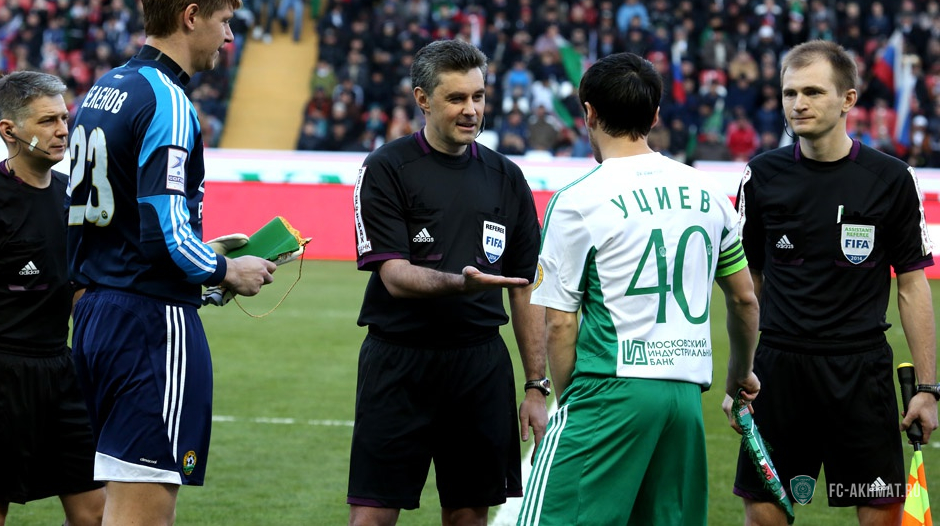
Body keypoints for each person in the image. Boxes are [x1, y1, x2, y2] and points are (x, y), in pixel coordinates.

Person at [66, 0, 277, 526]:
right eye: (224, 21)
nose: (229, 37)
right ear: (190, 16)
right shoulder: (168, 100)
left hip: (95, 315)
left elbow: (100, 221)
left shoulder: (104, 89)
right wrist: (226, 270)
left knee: (112, 503)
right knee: (144, 511)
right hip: (149, 324)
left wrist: (201, 250)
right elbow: (163, 234)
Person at [517, 52, 761, 525]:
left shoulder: (577, 199)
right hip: (685, 399)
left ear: (588, 113)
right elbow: (744, 298)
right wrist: (739, 378)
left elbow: (561, 324)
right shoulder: (709, 192)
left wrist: (572, 403)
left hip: (609, 389)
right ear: (655, 116)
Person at [727, 40, 938, 525]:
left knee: (881, 516)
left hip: (860, 370)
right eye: (790, 93)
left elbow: (912, 286)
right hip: (778, 371)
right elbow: (748, 285)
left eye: (813, 92)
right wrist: (741, 373)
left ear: (848, 99)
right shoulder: (761, 176)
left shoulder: (891, 178)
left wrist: (927, 388)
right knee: (763, 515)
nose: (798, 103)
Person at [348, 38, 548, 526]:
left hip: (479, 364)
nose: (471, 110)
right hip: (398, 361)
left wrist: (535, 386)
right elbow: (394, 276)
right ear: (422, 99)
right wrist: (462, 284)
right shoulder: (386, 168)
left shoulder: (507, 177)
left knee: (468, 516)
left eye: (478, 96)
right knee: (372, 515)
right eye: (456, 98)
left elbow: (524, 286)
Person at [0, 71, 105, 526]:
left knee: (94, 513)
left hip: (62, 371)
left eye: (65, 118)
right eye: (48, 121)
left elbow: (82, 288)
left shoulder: (71, 197)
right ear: (9, 130)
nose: (62, 130)